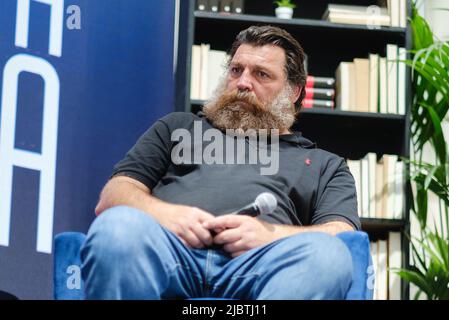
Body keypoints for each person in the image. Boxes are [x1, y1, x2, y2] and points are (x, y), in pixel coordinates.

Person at [80, 25, 361, 300]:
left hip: (261, 265)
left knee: (328, 256)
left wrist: (269, 235)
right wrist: (167, 215)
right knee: (117, 228)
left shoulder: (327, 165)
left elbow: (341, 234)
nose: (242, 83)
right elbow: (114, 195)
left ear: (294, 92)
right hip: (170, 252)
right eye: (236, 70)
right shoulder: (177, 127)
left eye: (261, 74)